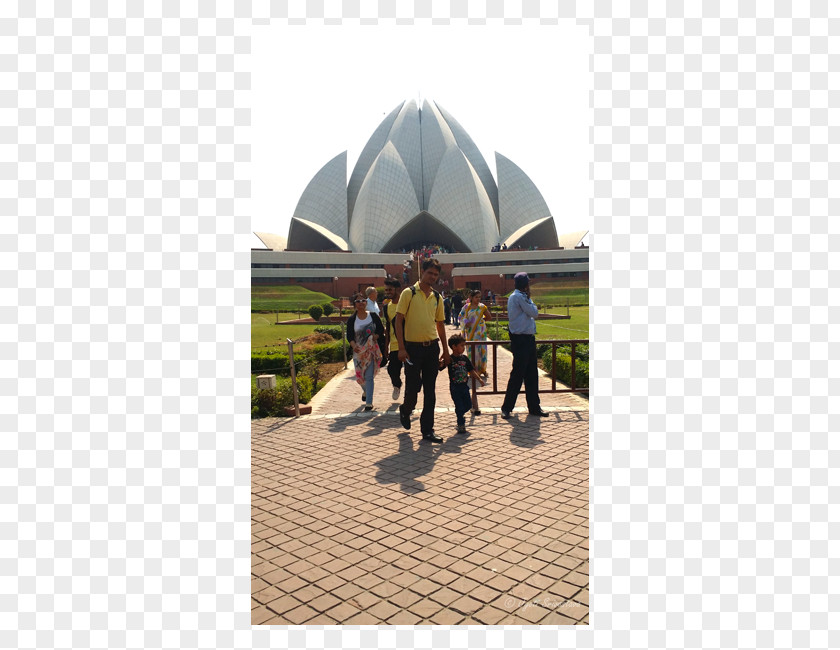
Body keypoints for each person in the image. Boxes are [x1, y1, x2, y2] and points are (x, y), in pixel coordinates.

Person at [395, 258, 450, 443]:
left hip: (431, 348)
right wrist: (401, 348)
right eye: (430, 273)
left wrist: (446, 350)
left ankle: (427, 430)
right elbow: (398, 320)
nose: (433, 277)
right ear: (422, 272)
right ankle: (406, 408)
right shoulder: (409, 293)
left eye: (436, 274)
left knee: (430, 390)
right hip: (412, 349)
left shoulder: (437, 297)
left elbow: (440, 324)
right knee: (413, 388)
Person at [500, 272, 548, 419]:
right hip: (521, 340)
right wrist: (530, 299)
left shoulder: (518, 296)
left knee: (531, 374)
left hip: (525, 339)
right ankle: (507, 407)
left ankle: (533, 407)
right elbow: (534, 313)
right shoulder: (520, 297)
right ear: (525, 284)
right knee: (518, 375)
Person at [346, 292, 385, 411]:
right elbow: (350, 336)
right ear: (354, 304)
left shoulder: (373, 316)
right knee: (360, 377)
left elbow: (380, 330)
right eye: (357, 301)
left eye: (363, 300)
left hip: (371, 350)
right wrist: (354, 346)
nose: (360, 303)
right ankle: (365, 391)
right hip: (359, 352)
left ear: (366, 302)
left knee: (369, 377)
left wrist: (375, 336)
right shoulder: (352, 319)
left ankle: (369, 402)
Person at [447, 333, 485, 434]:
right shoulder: (449, 359)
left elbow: (471, 371)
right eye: (462, 346)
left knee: (468, 405)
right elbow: (440, 366)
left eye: (464, 345)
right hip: (455, 387)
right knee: (459, 406)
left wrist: (479, 379)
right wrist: (440, 363)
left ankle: (459, 413)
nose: (464, 348)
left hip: (464, 386)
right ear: (454, 347)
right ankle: (461, 424)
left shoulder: (464, 358)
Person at [382, 277, 405, 400]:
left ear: (398, 289)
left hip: (408, 343)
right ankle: (397, 385)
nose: (388, 292)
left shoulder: (406, 303)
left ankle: (410, 399)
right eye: (386, 290)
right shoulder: (387, 307)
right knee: (392, 369)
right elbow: (388, 326)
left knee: (412, 373)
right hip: (395, 345)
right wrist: (386, 347)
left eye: (390, 289)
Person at [459, 289, 490, 378]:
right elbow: (460, 317)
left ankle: (482, 369)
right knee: (472, 351)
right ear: (471, 297)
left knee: (481, 351)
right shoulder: (466, 307)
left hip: (481, 334)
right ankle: (473, 370)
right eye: (476, 297)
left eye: (479, 297)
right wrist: (466, 322)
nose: (478, 299)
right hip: (471, 334)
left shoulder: (482, 307)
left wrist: (480, 322)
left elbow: (488, 317)